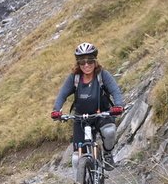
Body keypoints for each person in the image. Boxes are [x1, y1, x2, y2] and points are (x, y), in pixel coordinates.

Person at [51, 42, 125, 173]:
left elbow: (115, 91)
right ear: (78, 63)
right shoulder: (75, 78)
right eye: (82, 62)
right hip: (81, 118)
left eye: (90, 61)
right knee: (76, 159)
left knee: (109, 132)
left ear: (95, 61)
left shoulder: (103, 75)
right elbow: (62, 94)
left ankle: (107, 154)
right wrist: (57, 110)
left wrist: (118, 105)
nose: (86, 65)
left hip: (102, 115)